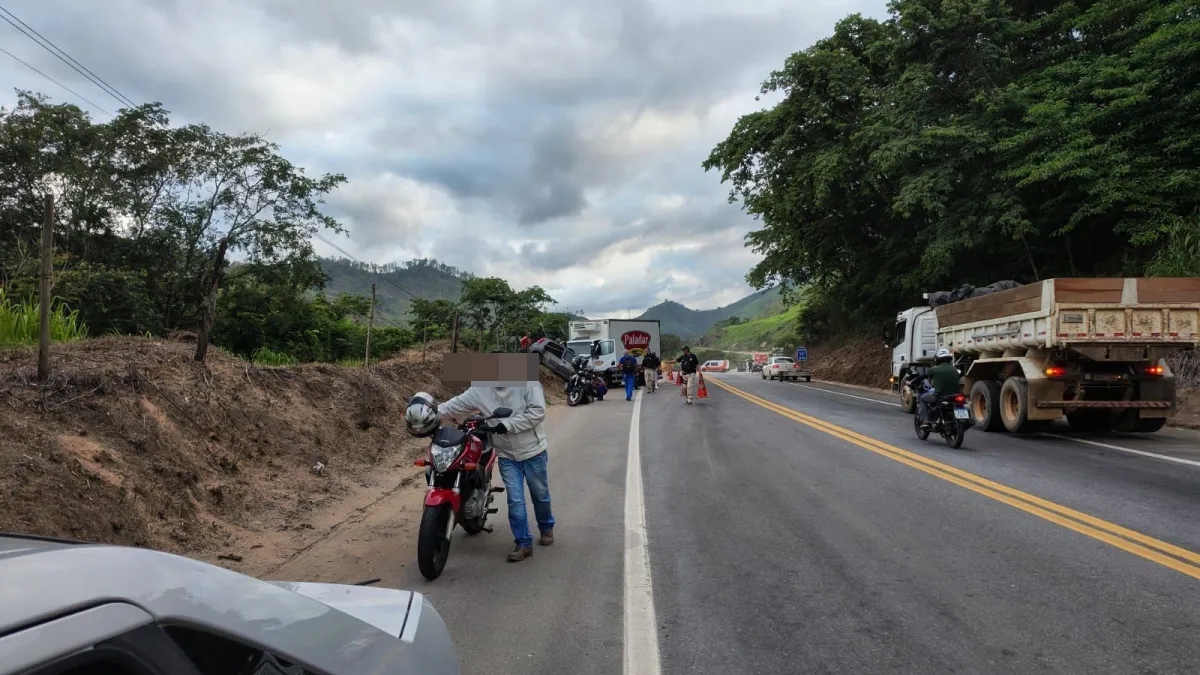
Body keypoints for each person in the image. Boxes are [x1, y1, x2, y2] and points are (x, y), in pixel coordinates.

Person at [434, 382, 554, 562]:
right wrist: (427, 413)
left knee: (540, 495)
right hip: (506, 455)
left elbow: (538, 412)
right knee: (515, 500)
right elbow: (455, 405)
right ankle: (523, 543)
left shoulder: (529, 383)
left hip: (533, 451)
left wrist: (507, 425)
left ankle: (546, 527)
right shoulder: (480, 388)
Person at [909, 347, 960, 426]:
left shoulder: (934, 369)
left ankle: (926, 421)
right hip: (955, 396)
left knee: (922, 398)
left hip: (940, 396)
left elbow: (922, 377)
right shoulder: (955, 369)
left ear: (937, 359)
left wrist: (912, 383)